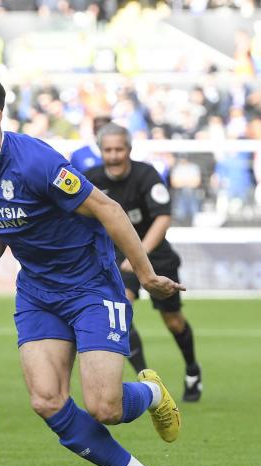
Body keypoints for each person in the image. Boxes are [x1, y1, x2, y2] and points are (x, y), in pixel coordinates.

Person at [0, 73, 183, 466]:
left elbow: (108, 209)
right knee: (47, 400)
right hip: (37, 292)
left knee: (104, 407)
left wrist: (144, 275)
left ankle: (151, 393)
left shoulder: (37, 163)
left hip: (91, 285)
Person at [85, 123, 203, 402]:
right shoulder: (89, 178)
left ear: (129, 150)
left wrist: (138, 255)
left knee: (173, 321)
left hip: (155, 254)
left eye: (119, 149)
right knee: (121, 310)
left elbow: (163, 218)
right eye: (108, 150)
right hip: (114, 257)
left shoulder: (146, 175)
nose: (113, 156)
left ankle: (192, 369)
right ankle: (148, 378)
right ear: (101, 150)